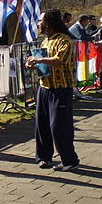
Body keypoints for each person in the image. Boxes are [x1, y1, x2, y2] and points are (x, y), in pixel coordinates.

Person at [26, 9, 80, 171]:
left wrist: (39, 59)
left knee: (59, 126)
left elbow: (60, 59)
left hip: (60, 89)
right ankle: (43, 157)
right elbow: (43, 65)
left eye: (40, 21)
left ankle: (70, 160)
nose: (38, 24)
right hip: (44, 88)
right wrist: (32, 64)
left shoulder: (65, 40)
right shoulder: (45, 41)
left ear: (48, 22)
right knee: (42, 126)